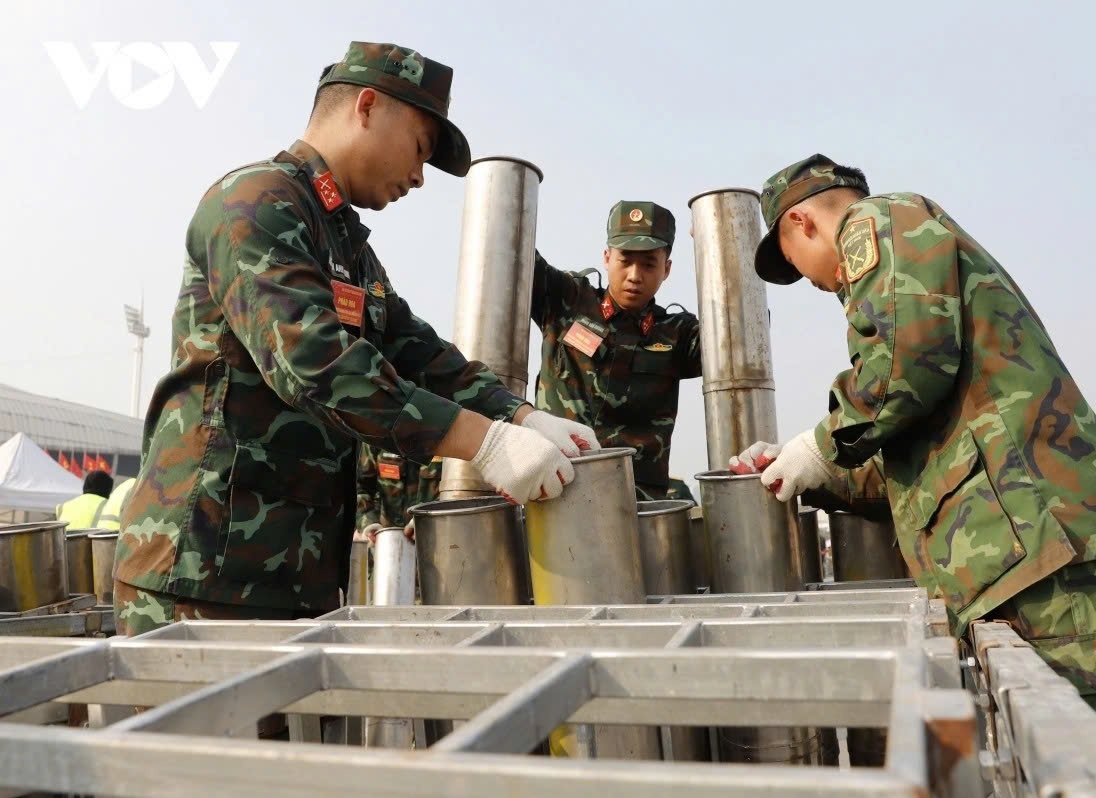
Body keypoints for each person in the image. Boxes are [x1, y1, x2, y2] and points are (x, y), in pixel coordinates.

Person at [733, 154, 1096, 791]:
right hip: (1025, 557)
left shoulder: (880, 220)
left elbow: (904, 363)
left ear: (802, 224)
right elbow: (912, 467)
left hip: (1041, 552)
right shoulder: (911, 274)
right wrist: (809, 471)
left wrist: (820, 442)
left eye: (793, 265)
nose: (813, 285)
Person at [114, 41, 599, 638]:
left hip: (294, 576)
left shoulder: (348, 246)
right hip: (203, 574)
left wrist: (521, 416)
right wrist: (488, 443)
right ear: (367, 106)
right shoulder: (256, 201)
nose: (420, 177)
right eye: (421, 148)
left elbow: (414, 349)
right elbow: (315, 364)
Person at [532, 201, 701, 500]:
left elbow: (743, 339)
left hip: (638, 501)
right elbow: (511, 251)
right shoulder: (565, 300)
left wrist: (718, 243)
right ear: (607, 257)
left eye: (649, 264)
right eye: (625, 260)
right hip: (558, 488)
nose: (635, 275)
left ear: (667, 269)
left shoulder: (679, 333)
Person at [356, 445, 440, 537]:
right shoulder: (377, 434)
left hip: (436, 537)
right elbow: (361, 486)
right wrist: (369, 523)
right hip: (386, 538)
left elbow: (455, 493)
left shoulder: (446, 436)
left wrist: (425, 520)